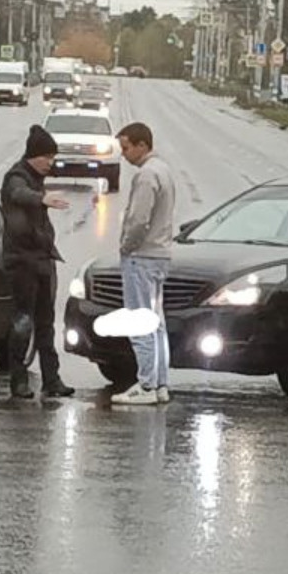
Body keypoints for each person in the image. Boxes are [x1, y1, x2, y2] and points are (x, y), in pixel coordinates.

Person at [2, 125, 75, 400]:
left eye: (53, 158)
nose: (50, 163)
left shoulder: (36, 177)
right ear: (33, 155)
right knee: (23, 322)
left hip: (43, 259)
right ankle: (18, 381)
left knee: (46, 323)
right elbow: (17, 195)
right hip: (21, 262)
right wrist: (42, 199)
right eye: (46, 157)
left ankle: (51, 379)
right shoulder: (17, 177)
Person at [112, 121, 176, 407]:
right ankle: (161, 383)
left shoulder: (147, 175)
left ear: (142, 145)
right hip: (160, 255)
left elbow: (139, 219)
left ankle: (146, 384)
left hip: (142, 257)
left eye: (126, 147)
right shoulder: (164, 170)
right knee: (157, 323)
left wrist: (126, 246)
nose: (123, 154)